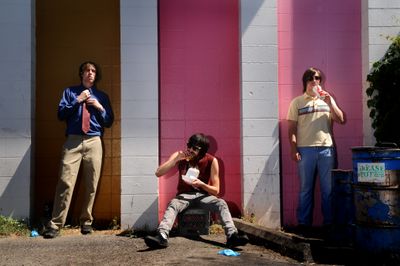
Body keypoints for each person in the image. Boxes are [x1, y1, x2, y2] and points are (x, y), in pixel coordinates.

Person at [43, 61, 114, 238]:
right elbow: (61, 115)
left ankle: (86, 221)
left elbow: (109, 121)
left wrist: (99, 107)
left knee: (92, 183)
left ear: (96, 75)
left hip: (94, 141)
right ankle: (56, 224)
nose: (90, 73)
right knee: (65, 181)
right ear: (81, 73)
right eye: (87, 70)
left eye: (93, 71)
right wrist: (78, 100)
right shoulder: (70, 92)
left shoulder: (102, 96)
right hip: (73, 141)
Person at [144, 133, 249, 249]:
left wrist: (202, 184)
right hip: (184, 196)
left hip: (203, 196)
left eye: (195, 148)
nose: (190, 150)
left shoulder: (211, 161)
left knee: (221, 203)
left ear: (202, 150)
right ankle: (162, 237)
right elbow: (158, 173)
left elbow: (216, 191)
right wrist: (176, 160)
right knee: (173, 204)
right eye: (189, 145)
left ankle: (232, 236)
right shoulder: (180, 155)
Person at [287, 67, 344, 235]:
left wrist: (330, 101)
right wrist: (293, 148)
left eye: (318, 78)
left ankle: (329, 224)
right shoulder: (297, 102)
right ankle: (303, 224)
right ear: (305, 82)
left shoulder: (326, 101)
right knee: (305, 189)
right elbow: (291, 128)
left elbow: (341, 119)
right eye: (311, 78)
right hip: (305, 150)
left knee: (328, 190)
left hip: (327, 149)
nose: (315, 81)